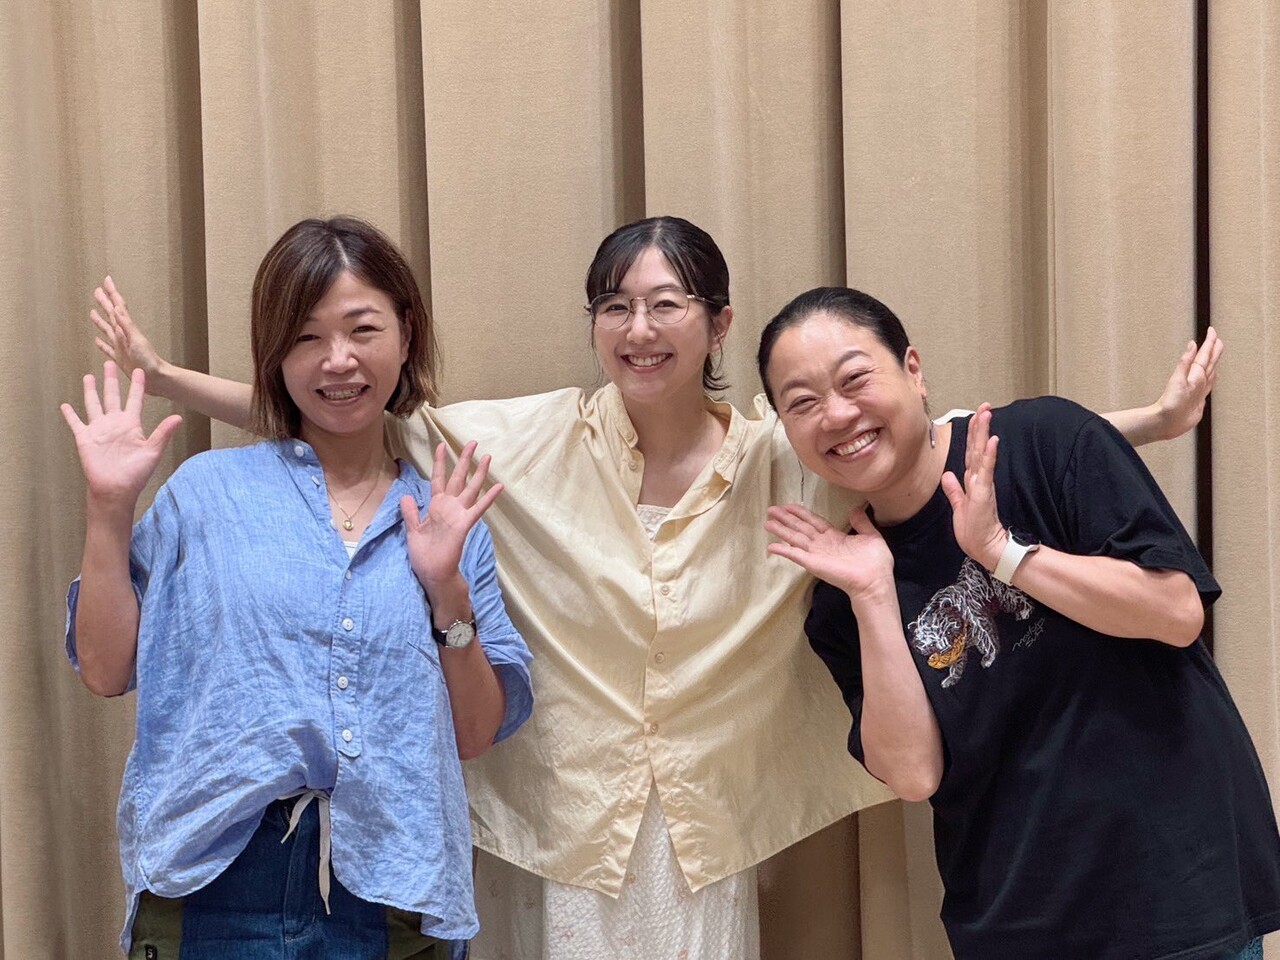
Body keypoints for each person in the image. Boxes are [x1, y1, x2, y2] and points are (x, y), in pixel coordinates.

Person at [89, 217, 1219, 959]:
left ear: (716, 323)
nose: (640, 328)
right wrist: (169, 377)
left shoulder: (784, 448)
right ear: (594, 325)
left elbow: (943, 437)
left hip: (697, 824)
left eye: (667, 302)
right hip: (555, 811)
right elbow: (350, 408)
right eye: (616, 307)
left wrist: (1146, 422)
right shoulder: (523, 440)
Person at [758, 286, 1279, 960]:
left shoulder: (1043, 442)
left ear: (913, 369)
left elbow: (1176, 612)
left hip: (1172, 895)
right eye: (802, 403)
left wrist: (1003, 553)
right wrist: (873, 594)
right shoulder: (843, 597)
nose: (836, 414)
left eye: (854, 378)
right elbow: (914, 775)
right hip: (1012, 924)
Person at [63, 216, 532, 959]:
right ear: (275, 356)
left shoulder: (447, 513)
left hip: (395, 891)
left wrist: (447, 592)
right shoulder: (207, 491)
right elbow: (104, 667)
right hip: (214, 881)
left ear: (406, 335)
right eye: (307, 337)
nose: (338, 360)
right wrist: (109, 509)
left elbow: (475, 735)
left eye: (362, 329)